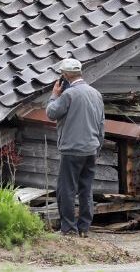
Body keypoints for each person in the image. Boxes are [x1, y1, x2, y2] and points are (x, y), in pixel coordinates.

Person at [45, 58, 105, 237]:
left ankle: (69, 229)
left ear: (65, 76)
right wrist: (98, 147)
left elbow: (51, 113)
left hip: (72, 149)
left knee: (67, 189)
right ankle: (84, 228)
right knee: (86, 189)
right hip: (91, 148)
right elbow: (102, 124)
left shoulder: (68, 95)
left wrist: (54, 95)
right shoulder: (96, 94)